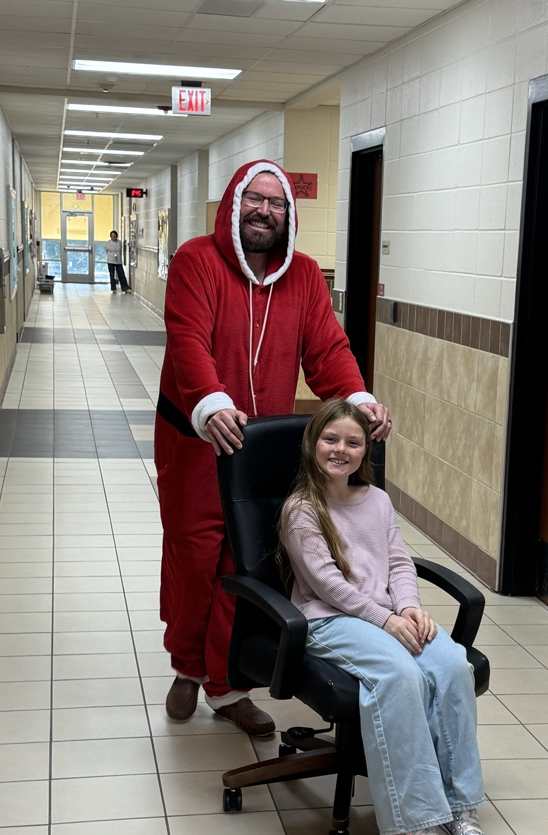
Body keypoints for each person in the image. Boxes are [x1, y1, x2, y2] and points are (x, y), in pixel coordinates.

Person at [155, 160, 391, 736]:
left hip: (262, 456)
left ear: (289, 214)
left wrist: (357, 399)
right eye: (255, 200)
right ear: (235, 205)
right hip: (196, 440)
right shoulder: (196, 262)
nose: (265, 211)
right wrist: (210, 400)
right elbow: (187, 339)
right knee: (195, 559)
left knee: (251, 567)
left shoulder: (306, 276)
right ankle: (187, 665)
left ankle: (226, 686)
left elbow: (328, 349)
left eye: (277, 203)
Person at [278, 399, 496, 835]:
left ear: (365, 450)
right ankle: (411, 823)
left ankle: (460, 808)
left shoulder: (376, 500)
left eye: (353, 442)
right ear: (312, 443)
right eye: (330, 439)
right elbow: (327, 584)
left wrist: (410, 607)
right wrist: (385, 619)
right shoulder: (302, 510)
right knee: (399, 674)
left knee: (452, 666)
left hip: (386, 613)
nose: (341, 449)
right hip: (330, 619)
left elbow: (398, 562)